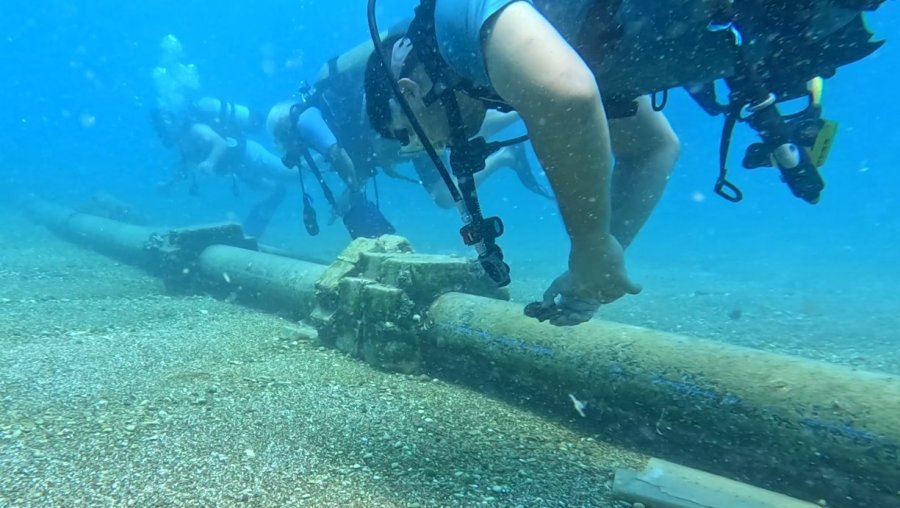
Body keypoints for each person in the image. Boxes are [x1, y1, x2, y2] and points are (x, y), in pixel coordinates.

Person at [363, 0, 885, 326]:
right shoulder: (526, 46)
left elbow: (567, 97)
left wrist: (591, 247)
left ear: (407, 91)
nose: (424, 148)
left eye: (408, 136)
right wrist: (594, 268)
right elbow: (654, 149)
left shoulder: (454, 20)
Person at [266, 37, 553, 223]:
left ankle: (526, 110)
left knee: (453, 146)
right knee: (444, 195)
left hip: (402, 123)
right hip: (400, 136)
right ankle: (508, 152)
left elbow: (338, 153)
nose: (294, 154)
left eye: (286, 145)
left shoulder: (305, 120)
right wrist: (349, 196)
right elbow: (361, 163)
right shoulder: (328, 116)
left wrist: (350, 189)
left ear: (285, 131)